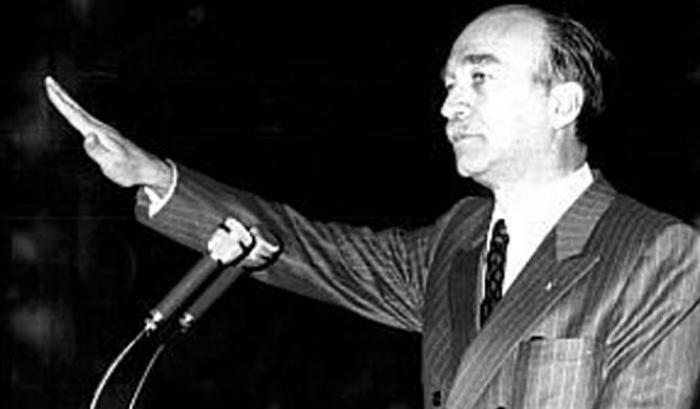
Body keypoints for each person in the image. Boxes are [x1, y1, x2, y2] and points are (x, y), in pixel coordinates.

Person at [44, 4, 700, 409]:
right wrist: (154, 175)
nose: (450, 104)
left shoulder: (657, 250)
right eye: (449, 84)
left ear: (562, 103)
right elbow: (308, 250)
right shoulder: (458, 239)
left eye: (480, 77)